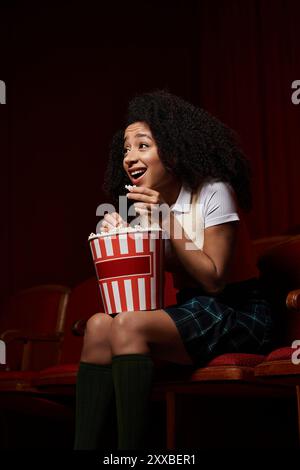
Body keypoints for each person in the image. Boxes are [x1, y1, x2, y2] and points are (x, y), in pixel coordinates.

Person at [74, 90, 273, 450]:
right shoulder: (147, 206)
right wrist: (118, 236)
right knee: (99, 325)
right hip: (192, 309)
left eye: (142, 146)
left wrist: (166, 218)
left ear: (174, 148)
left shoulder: (213, 191)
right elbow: (131, 291)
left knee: (129, 324)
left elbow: (214, 280)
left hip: (239, 312)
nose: (130, 157)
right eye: (125, 149)